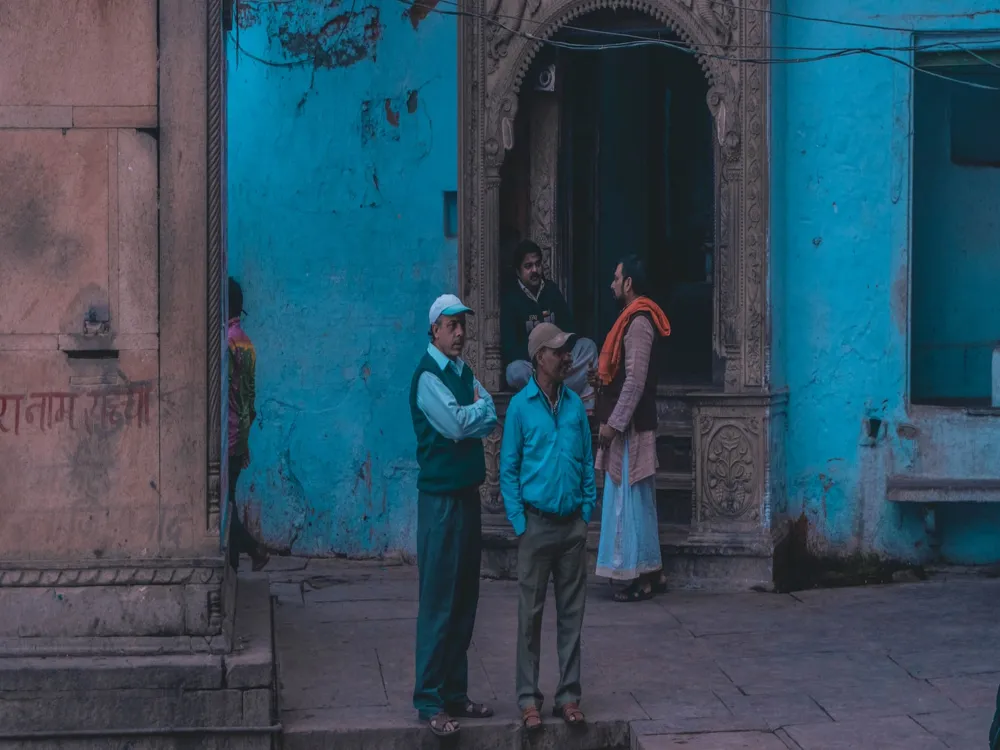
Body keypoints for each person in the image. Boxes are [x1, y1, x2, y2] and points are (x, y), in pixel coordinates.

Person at [409, 293, 498, 738]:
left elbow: (487, 416)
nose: (460, 332)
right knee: (438, 600)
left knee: (464, 598)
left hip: (465, 496)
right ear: (435, 331)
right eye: (452, 325)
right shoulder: (428, 377)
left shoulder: (462, 373)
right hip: (441, 502)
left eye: (463, 324)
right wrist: (474, 414)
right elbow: (460, 424)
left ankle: (455, 693)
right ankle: (429, 700)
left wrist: (474, 413)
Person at [500, 322, 596, 732]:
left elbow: (588, 462)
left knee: (572, 616)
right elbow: (508, 470)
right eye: (558, 351)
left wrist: (586, 512)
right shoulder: (521, 408)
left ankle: (569, 695)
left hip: (571, 525)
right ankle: (528, 698)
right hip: (535, 526)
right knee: (530, 616)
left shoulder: (576, 405)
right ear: (540, 357)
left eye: (566, 350)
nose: (566, 356)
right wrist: (520, 522)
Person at [592, 256, 671, 602]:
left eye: (616, 278)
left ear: (628, 284)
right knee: (635, 499)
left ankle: (638, 576)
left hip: (632, 428)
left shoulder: (639, 322)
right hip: (631, 424)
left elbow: (635, 382)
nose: (612, 284)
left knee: (629, 499)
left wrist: (612, 424)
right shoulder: (633, 319)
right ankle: (650, 573)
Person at [500, 239, 598, 407]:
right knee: (514, 372)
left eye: (538, 264)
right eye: (528, 266)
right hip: (534, 366)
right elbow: (510, 347)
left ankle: (580, 405)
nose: (535, 270)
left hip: (559, 361)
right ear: (518, 271)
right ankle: (557, 393)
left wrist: (558, 355)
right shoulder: (511, 299)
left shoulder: (551, 291)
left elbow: (570, 329)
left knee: (588, 346)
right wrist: (542, 363)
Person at [226, 278, 269, 572]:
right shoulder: (245, 341)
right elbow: (247, 396)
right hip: (239, 433)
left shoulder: (227, 342)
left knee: (224, 508)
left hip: (227, 435)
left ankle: (253, 549)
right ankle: (233, 568)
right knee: (227, 501)